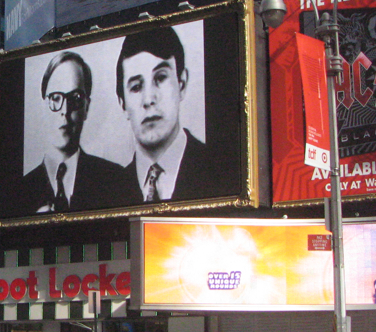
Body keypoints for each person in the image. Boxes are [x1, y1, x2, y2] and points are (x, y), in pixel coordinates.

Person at [115, 26, 235, 202]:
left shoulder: (225, 171)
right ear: (123, 104)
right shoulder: (112, 190)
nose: (149, 99)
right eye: (136, 87)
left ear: (182, 84)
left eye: (160, 78)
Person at [20, 51, 138, 213]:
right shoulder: (19, 191)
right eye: (55, 98)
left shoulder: (115, 180)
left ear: (87, 107)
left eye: (75, 98)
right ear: (43, 106)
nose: (65, 110)